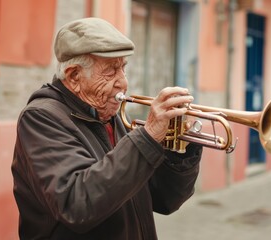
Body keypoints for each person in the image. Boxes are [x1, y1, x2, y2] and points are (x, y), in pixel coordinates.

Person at [12, 17, 202, 240]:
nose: (123, 82)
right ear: (74, 76)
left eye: (123, 68)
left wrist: (180, 152)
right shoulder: (41, 118)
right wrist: (148, 137)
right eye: (111, 72)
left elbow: (165, 200)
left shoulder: (111, 116)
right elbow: (77, 204)